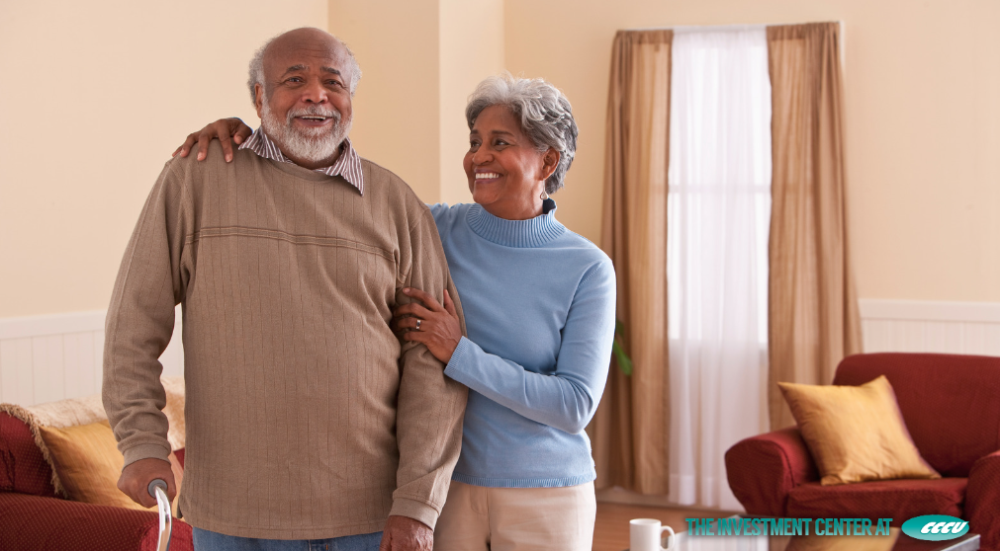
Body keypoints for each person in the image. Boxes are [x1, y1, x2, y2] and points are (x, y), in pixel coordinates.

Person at [178, 73, 616, 551]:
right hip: (443, 490)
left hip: (547, 493)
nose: (479, 157)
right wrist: (255, 137)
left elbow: (573, 405)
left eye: (500, 142)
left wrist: (459, 353)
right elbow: (324, 194)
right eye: (474, 142)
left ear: (547, 159)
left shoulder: (587, 267)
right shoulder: (433, 227)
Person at [103, 27, 467, 551]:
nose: (316, 94)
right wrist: (141, 441)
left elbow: (432, 368)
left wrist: (418, 502)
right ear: (258, 98)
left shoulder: (396, 204)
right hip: (230, 517)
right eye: (293, 80)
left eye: (332, 82)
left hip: (368, 517)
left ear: (349, 99)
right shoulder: (196, 179)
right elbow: (132, 326)